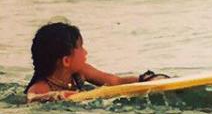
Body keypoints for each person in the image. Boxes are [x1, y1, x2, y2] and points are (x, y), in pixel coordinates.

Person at [25, 21, 162, 101]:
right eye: (81, 47)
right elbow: (31, 98)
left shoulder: (81, 71)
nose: (85, 52)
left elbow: (115, 82)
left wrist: (146, 79)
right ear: (66, 61)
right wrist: (57, 95)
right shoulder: (41, 87)